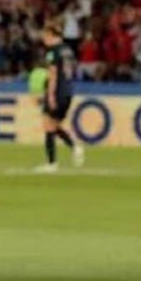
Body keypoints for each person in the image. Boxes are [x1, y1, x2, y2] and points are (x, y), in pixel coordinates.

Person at [35, 19, 85, 173]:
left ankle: (52, 163)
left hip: (57, 91)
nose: (44, 39)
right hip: (68, 90)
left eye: (45, 36)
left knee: (48, 124)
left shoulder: (53, 52)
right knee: (53, 125)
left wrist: (50, 95)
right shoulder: (68, 50)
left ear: (50, 34)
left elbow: (53, 74)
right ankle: (74, 147)